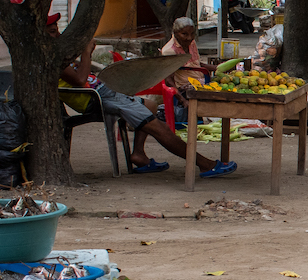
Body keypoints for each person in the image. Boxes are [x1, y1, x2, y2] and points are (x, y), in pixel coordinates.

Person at [61, 39, 236, 178]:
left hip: (105, 91)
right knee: (161, 128)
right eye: (52, 30)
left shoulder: (60, 53)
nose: (57, 34)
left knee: (151, 106)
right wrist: (86, 53)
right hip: (97, 98)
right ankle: (204, 164)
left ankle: (139, 154)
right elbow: (79, 80)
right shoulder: (54, 60)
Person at [160, 17, 209, 124]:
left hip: (200, 80)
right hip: (184, 86)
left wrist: (217, 67)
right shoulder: (170, 50)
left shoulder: (191, 42)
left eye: (192, 34)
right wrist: (183, 100)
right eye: (184, 34)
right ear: (175, 33)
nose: (189, 38)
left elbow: (196, 63)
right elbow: (168, 80)